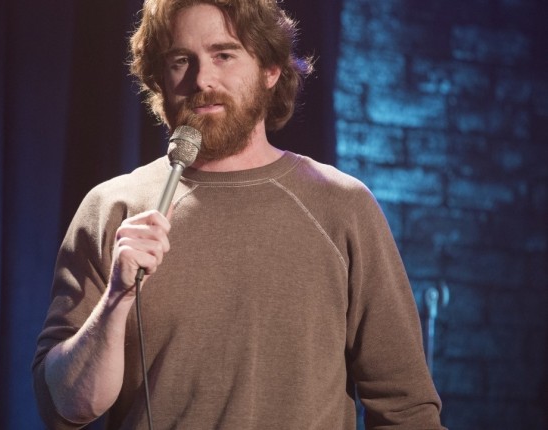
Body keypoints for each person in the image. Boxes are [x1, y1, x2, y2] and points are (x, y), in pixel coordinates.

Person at [33, 0, 445, 429]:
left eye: (223, 55)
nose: (201, 79)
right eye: (180, 60)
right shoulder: (112, 209)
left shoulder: (341, 207)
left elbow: (406, 410)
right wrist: (116, 298)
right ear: (160, 78)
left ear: (271, 69)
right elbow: (65, 408)